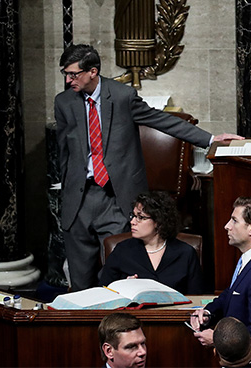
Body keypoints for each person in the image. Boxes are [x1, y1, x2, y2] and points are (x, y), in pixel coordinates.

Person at [55, 43, 241, 290]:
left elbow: (162, 121)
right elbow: (63, 151)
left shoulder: (121, 96)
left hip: (115, 198)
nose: (68, 81)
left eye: (73, 74)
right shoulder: (64, 102)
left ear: (93, 71)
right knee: (80, 283)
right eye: (65, 74)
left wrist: (209, 139)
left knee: (115, 280)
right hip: (78, 200)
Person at [190, 197, 251, 368]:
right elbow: (231, 293)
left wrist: (216, 338)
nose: (227, 226)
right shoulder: (250, 259)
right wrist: (208, 312)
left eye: (234, 220)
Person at [97, 191, 203, 294]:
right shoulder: (122, 251)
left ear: (159, 222)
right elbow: (103, 292)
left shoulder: (185, 253)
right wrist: (123, 286)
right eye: (133, 216)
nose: (132, 222)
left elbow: (196, 298)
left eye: (141, 217)